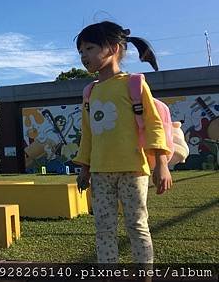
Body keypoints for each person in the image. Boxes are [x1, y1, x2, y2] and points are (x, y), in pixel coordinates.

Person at [72, 21, 172, 265]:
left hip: (133, 169)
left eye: (90, 48)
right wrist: (84, 168)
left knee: (137, 225)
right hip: (99, 172)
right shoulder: (90, 92)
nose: (84, 56)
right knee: (104, 229)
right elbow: (88, 134)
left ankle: (144, 274)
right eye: (81, 51)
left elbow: (153, 124)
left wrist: (161, 163)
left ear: (114, 48)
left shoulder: (134, 84)